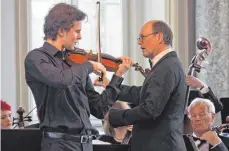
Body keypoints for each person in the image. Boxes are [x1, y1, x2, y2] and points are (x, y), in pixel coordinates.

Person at [24, 3, 131, 151]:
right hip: (59, 144)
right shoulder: (36, 58)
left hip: (85, 144)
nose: (80, 37)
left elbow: (99, 109)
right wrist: (89, 66)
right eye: (77, 31)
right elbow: (61, 79)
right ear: (61, 31)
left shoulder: (75, 63)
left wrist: (117, 76)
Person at [94, 20, 187, 151]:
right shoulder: (167, 64)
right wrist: (110, 84)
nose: (139, 42)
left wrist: (115, 116)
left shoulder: (166, 67)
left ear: (159, 37)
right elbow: (142, 93)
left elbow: (150, 109)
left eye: (142, 37)